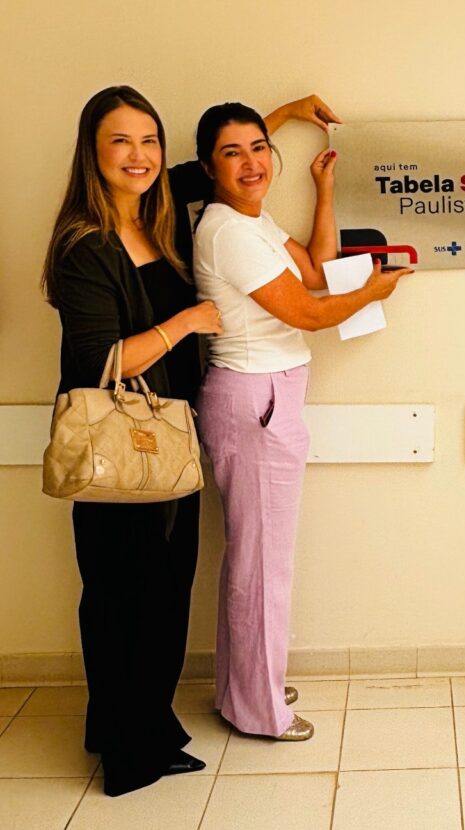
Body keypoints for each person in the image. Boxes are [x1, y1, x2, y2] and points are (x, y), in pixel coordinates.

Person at [42, 87, 342, 796]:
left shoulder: (161, 214)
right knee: (120, 593)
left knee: (163, 589)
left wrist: (286, 115)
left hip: (168, 438)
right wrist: (186, 323)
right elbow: (100, 359)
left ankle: (136, 728)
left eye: (149, 140)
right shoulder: (85, 246)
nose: (140, 156)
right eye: (121, 141)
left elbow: (226, 159)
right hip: (119, 445)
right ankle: (128, 752)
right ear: (92, 151)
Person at [193, 103, 413, 740]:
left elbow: (315, 273)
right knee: (263, 567)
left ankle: (247, 687)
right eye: (232, 153)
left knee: (255, 560)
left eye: (259, 148)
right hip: (254, 400)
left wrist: (325, 189)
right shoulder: (228, 232)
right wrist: (371, 293)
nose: (251, 163)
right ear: (208, 167)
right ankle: (261, 710)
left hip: (269, 396)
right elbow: (309, 313)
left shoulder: (253, 221)